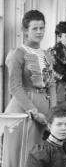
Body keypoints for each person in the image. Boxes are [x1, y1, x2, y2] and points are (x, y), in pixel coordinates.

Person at [4, 10, 56, 145]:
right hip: (24, 108)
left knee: (41, 152)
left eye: (42, 28)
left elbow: (52, 85)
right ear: (25, 30)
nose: (39, 32)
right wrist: (33, 111)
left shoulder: (47, 55)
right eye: (35, 28)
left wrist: (53, 111)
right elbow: (15, 87)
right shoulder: (18, 54)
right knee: (25, 151)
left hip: (45, 109)